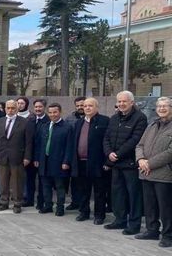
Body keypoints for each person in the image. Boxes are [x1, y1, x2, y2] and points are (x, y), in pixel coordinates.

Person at [103, 90, 148, 235]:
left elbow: (135, 140)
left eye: (124, 101)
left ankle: (134, 224)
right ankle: (119, 220)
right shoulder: (114, 118)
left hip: (130, 164)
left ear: (132, 103)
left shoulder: (140, 118)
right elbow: (106, 138)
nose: (121, 104)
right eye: (119, 101)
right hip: (115, 164)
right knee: (118, 194)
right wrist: (109, 153)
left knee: (133, 195)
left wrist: (118, 154)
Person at [135, 96, 172, 248]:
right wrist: (141, 160)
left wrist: (150, 163)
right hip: (146, 173)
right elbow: (140, 145)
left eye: (165, 106)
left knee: (166, 207)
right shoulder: (152, 125)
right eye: (159, 106)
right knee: (149, 205)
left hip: (164, 174)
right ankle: (152, 230)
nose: (162, 109)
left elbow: (170, 152)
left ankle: (168, 235)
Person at [70, 97, 110, 224]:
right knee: (83, 189)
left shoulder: (104, 121)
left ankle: (99, 215)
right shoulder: (79, 122)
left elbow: (108, 142)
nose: (87, 108)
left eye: (90, 106)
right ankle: (84, 212)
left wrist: (107, 162)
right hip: (81, 162)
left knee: (99, 191)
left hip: (98, 163)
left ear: (96, 107)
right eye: (85, 106)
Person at [34, 103, 74, 217]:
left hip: (59, 162)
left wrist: (66, 161)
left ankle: (60, 207)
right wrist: (37, 158)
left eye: (55, 112)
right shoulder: (44, 126)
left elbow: (69, 146)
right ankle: (48, 205)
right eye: (50, 112)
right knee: (45, 185)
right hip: (44, 161)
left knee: (60, 187)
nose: (52, 115)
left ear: (60, 112)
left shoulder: (67, 127)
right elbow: (38, 144)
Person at [0, 99, 31, 214]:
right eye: (8, 108)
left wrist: (27, 157)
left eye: (13, 108)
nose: (10, 110)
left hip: (17, 157)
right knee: (3, 181)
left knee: (17, 182)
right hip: (2, 156)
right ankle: (4, 202)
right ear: (5, 109)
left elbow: (28, 141)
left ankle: (17, 203)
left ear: (17, 109)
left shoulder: (24, 122)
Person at [23, 99, 49, 209]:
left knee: (42, 181)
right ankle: (29, 200)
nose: (38, 109)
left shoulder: (48, 121)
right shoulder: (30, 120)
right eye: (36, 107)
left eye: (40, 107)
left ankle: (41, 202)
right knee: (29, 180)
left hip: (42, 157)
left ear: (44, 108)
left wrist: (38, 158)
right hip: (30, 156)